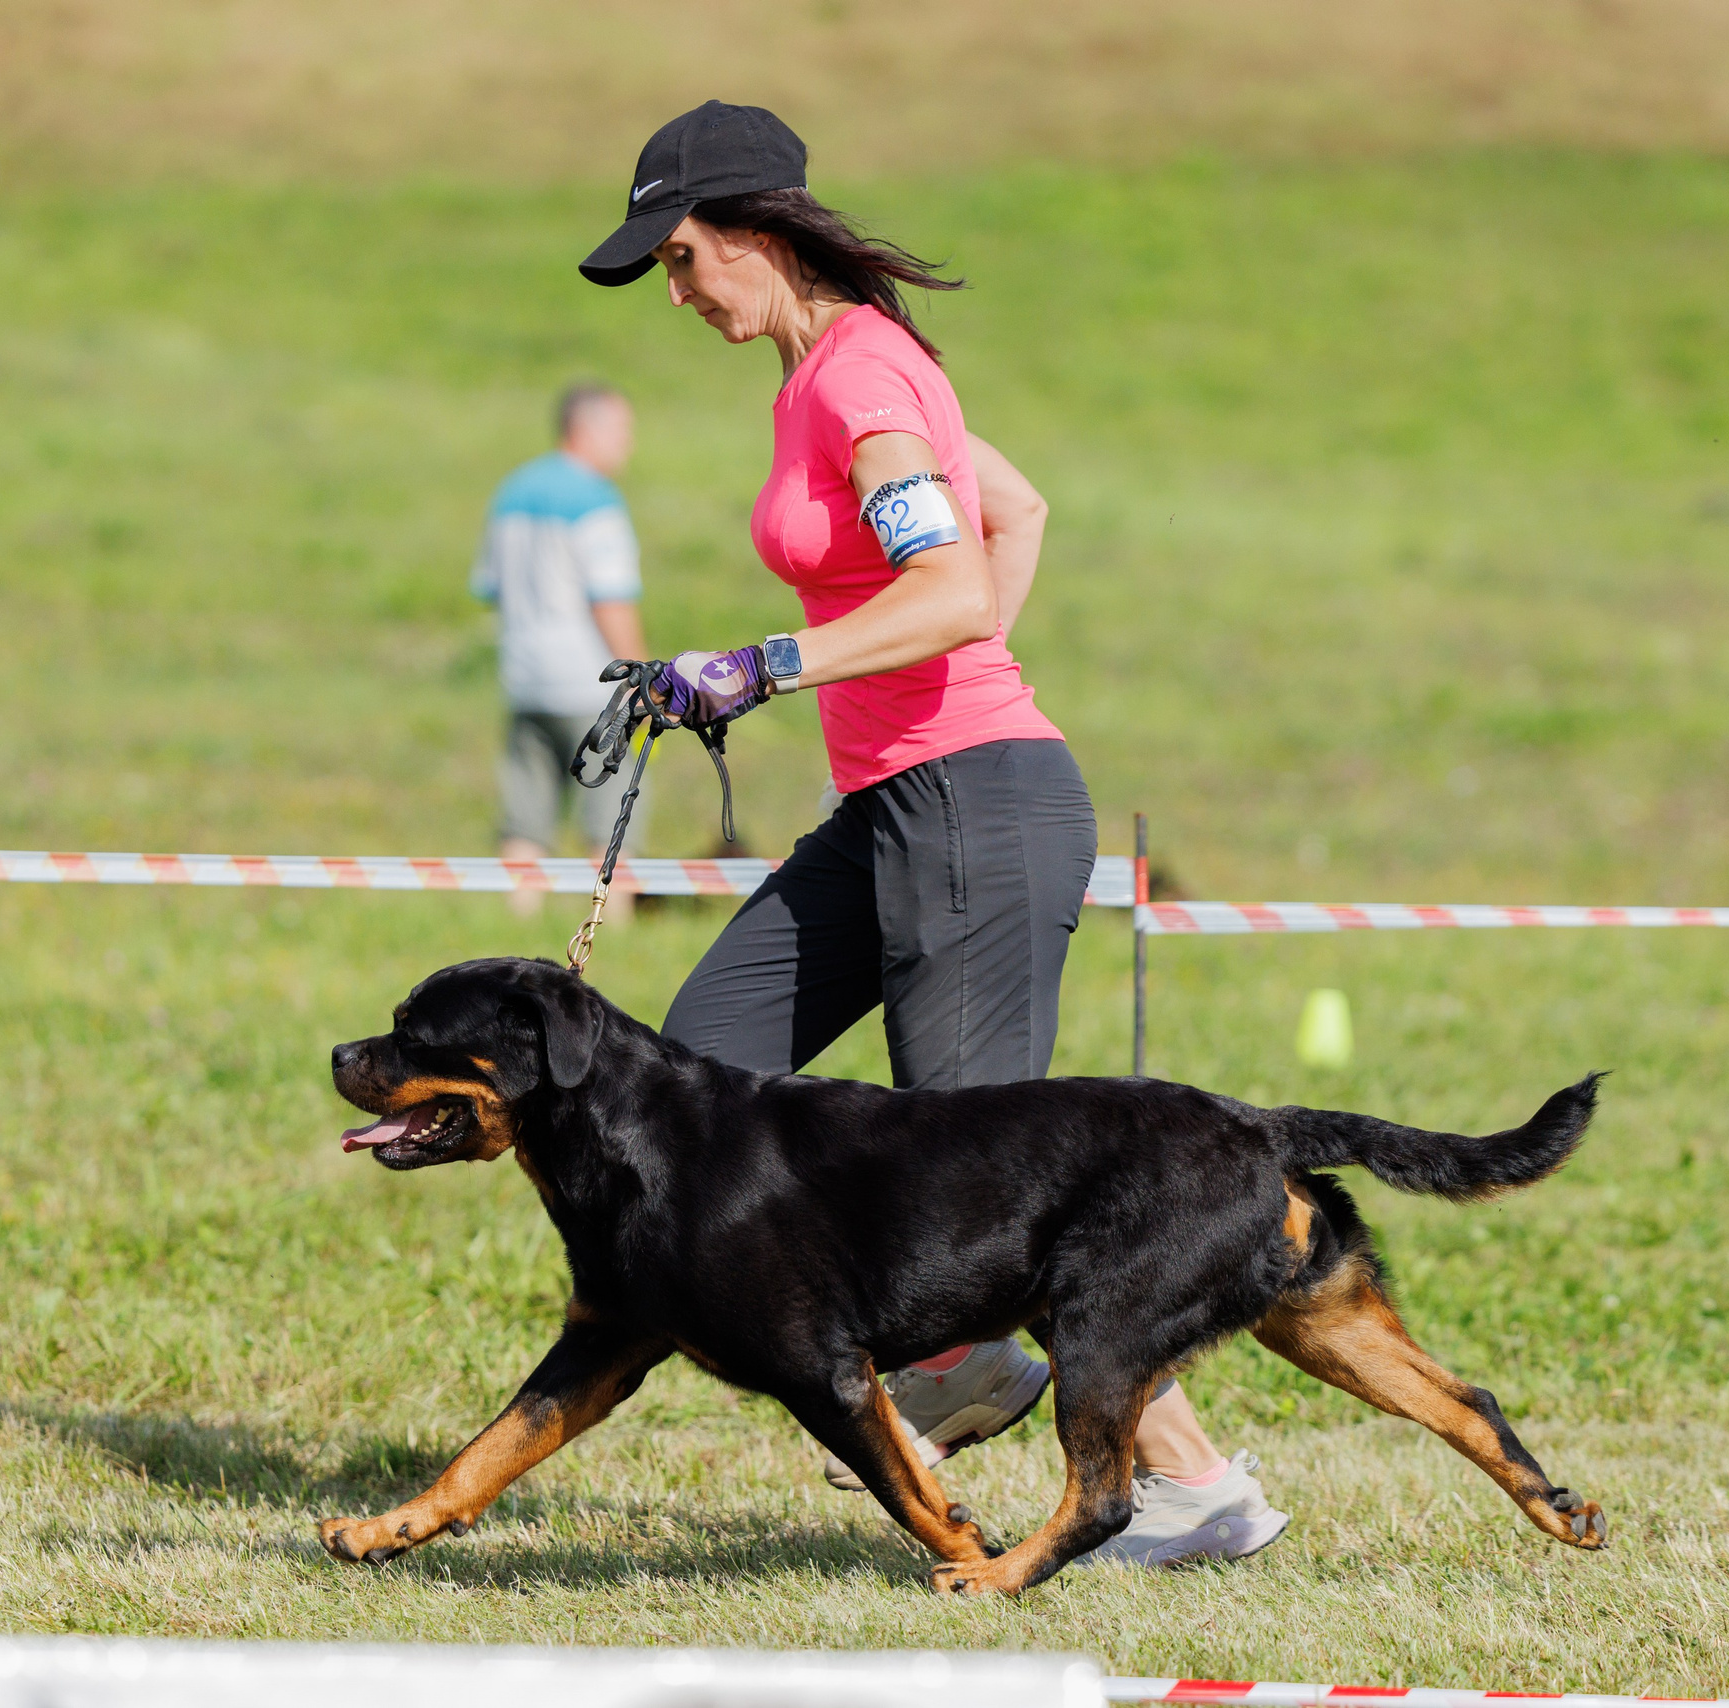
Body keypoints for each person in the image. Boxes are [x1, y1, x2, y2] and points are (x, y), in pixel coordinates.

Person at [577, 100, 1288, 1568]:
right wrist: (922, 695)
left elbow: (959, 582)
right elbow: (1018, 510)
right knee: (703, 1062)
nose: (679, 288)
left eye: (687, 255)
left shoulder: (863, 377)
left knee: (985, 1181)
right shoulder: (828, 376)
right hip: (902, 799)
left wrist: (774, 667)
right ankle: (962, 1367)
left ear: (760, 235)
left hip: (973, 808)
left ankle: (1192, 1487)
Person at [470, 383, 649, 919]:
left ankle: (516, 916)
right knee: (611, 813)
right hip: (589, 681)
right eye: (622, 432)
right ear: (586, 429)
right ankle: (606, 926)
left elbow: (490, 585)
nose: (628, 446)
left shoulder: (512, 491)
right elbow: (609, 599)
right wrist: (644, 679)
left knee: (526, 819)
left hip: (524, 675)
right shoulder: (596, 500)